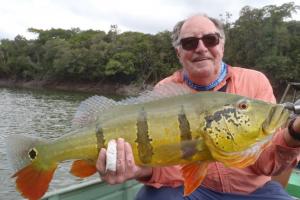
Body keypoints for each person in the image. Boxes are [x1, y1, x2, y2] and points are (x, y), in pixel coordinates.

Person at [96, 14, 300, 200]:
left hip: (254, 191)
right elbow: (171, 167)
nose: (201, 48)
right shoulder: (165, 91)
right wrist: (140, 171)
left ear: (222, 45)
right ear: (179, 53)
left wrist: (294, 133)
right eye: (189, 42)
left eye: (210, 39)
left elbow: (267, 164)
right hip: (193, 190)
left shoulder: (255, 81)